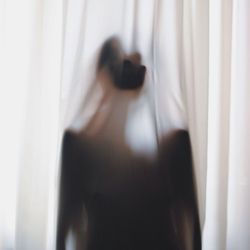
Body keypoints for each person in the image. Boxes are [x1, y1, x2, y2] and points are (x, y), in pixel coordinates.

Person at [56, 37, 201, 250]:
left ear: (101, 77)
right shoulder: (78, 148)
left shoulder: (78, 147)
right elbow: (192, 230)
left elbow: (63, 234)